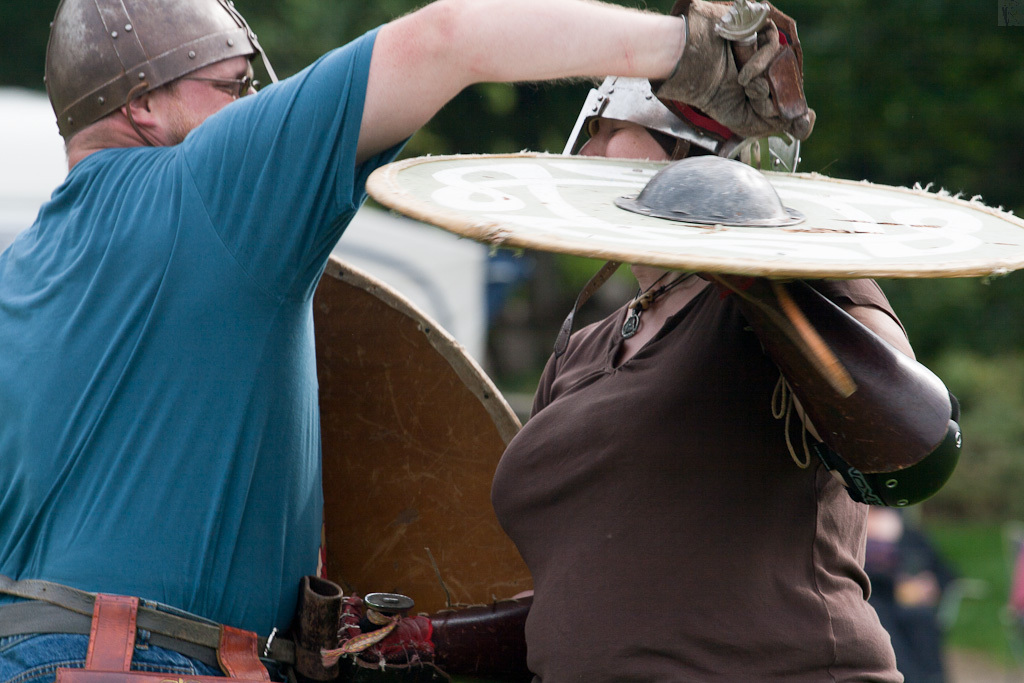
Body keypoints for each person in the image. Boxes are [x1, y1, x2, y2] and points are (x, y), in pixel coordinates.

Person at [0, 0, 812, 680]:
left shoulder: (16, 277)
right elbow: (444, 38)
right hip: (148, 663)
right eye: (233, 85)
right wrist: (693, 50)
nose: (251, 106)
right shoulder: (209, 182)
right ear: (142, 105)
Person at [490, 22, 959, 681]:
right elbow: (597, 594)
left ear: (699, 150)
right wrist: (437, 641)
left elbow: (913, 449)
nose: (588, 153)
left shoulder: (796, 279)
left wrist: (753, 271)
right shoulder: (582, 348)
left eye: (610, 129)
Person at [865, 508, 956, 683]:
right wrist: (895, 587)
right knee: (882, 624)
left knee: (921, 618)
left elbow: (944, 571)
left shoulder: (908, 534)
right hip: (871, 599)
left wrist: (930, 585)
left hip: (909, 604)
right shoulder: (850, 534)